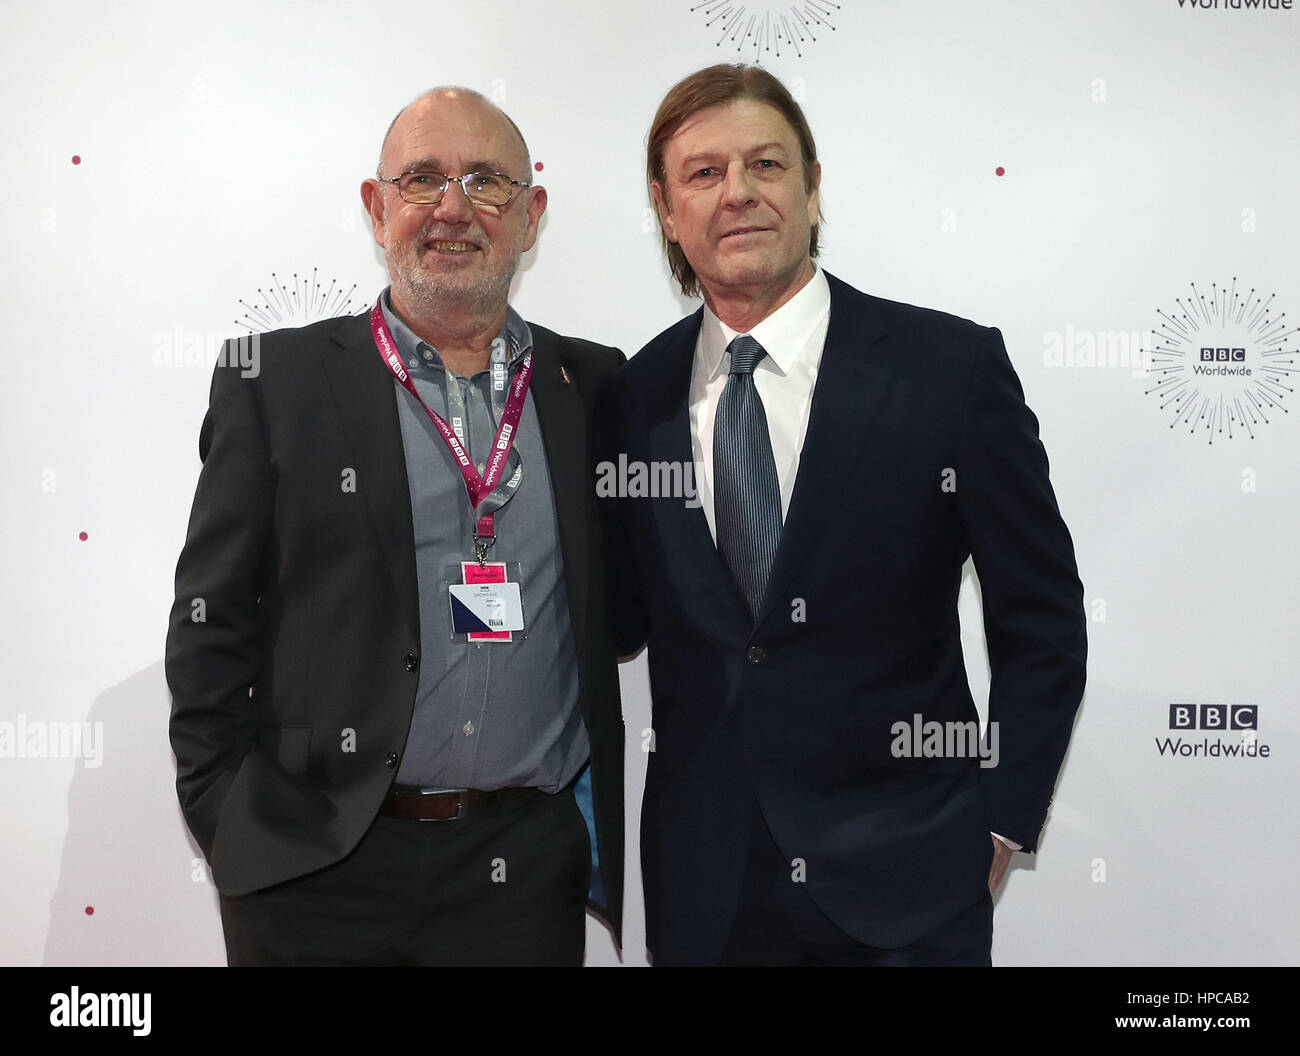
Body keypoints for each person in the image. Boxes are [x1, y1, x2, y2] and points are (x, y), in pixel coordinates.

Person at [595, 64, 1087, 966]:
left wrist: (1000, 824)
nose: (737, 192)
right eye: (703, 174)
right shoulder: (631, 397)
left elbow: (1043, 616)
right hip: (707, 900)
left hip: (911, 888)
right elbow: (619, 615)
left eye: (767, 164)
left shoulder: (949, 370)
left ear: (813, 190)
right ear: (667, 212)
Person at [166, 87, 625, 966]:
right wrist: (230, 815)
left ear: (530, 217)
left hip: (520, 872)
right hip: (315, 869)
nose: (452, 207)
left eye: (486, 182)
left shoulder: (595, 389)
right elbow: (209, 624)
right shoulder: (279, 381)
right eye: (422, 180)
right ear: (378, 209)